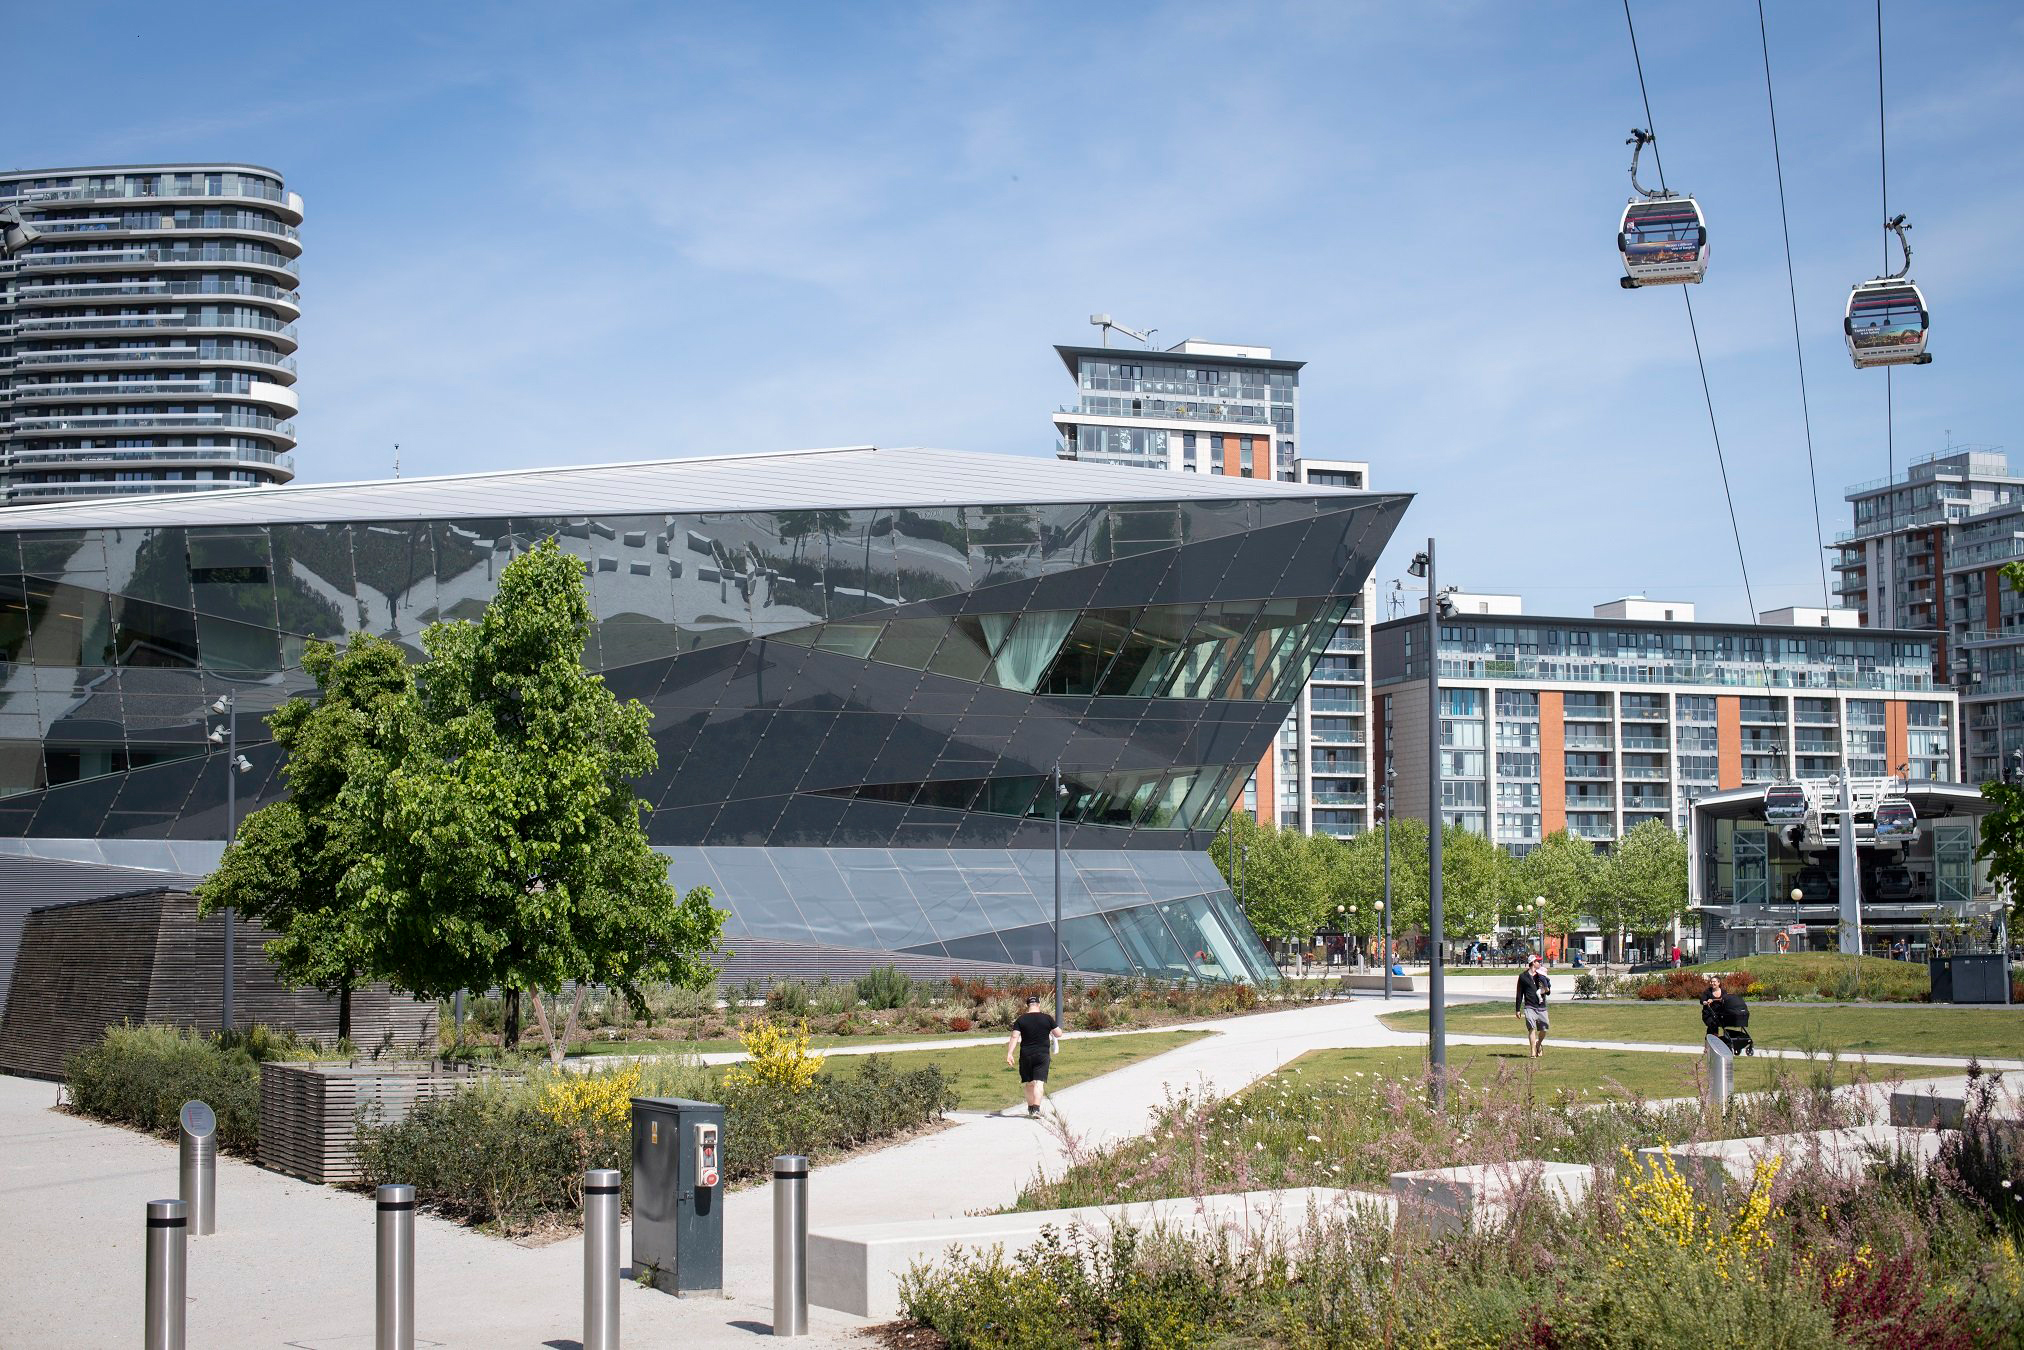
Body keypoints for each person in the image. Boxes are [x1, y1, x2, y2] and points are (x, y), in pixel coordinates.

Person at [1005, 994, 1062, 1117]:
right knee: (1039, 1082)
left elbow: (1014, 1036)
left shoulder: (1021, 1019)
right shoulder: (1047, 1018)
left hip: (1026, 1055)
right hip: (1042, 1055)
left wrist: (1010, 1053)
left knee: (1029, 1083)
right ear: (1039, 1005)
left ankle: (1031, 1108)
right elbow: (1059, 1033)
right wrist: (1050, 1028)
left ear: (1028, 1005)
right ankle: (1036, 1109)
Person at [1700, 976, 1754, 1056]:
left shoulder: (1723, 992)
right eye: (1711, 982)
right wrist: (1706, 1002)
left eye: (1714, 982)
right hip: (1709, 1014)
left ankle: (1721, 1043)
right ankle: (1707, 1047)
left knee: (1721, 1026)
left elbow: (1727, 1001)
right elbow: (1702, 1001)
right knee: (1713, 1027)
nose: (1712, 983)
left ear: (1719, 983)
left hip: (1720, 1014)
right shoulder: (1708, 992)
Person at [1515, 954, 1551, 1058]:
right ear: (1533, 963)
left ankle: (1538, 1044)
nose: (1540, 963)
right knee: (1531, 1027)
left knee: (1544, 1028)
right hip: (1529, 1005)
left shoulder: (1541, 975)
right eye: (1538, 961)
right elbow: (1519, 993)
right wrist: (1517, 1009)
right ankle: (1533, 1052)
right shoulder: (1523, 976)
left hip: (1541, 1006)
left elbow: (1548, 991)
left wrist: (1546, 988)